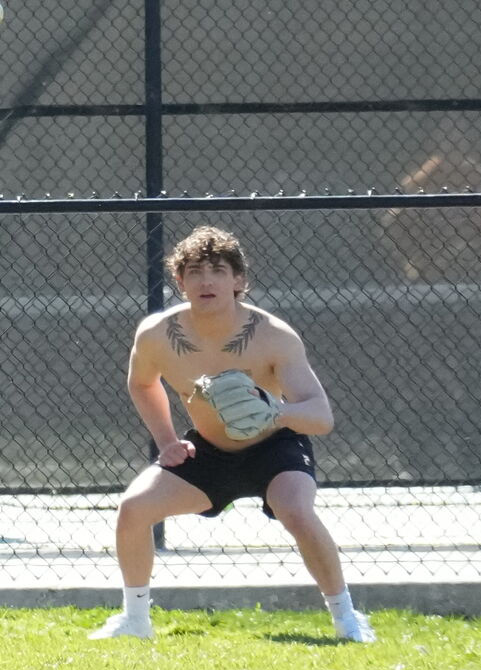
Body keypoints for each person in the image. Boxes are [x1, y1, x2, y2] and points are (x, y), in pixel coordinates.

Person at [94, 224, 369, 644]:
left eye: (218, 271)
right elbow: (142, 383)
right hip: (209, 451)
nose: (206, 281)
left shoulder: (274, 335)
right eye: (195, 271)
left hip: (274, 446)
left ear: (238, 280)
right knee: (133, 509)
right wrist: (167, 441)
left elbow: (320, 416)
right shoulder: (156, 334)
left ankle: (347, 619)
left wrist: (274, 412)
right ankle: (135, 620)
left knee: (296, 511)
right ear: (180, 281)